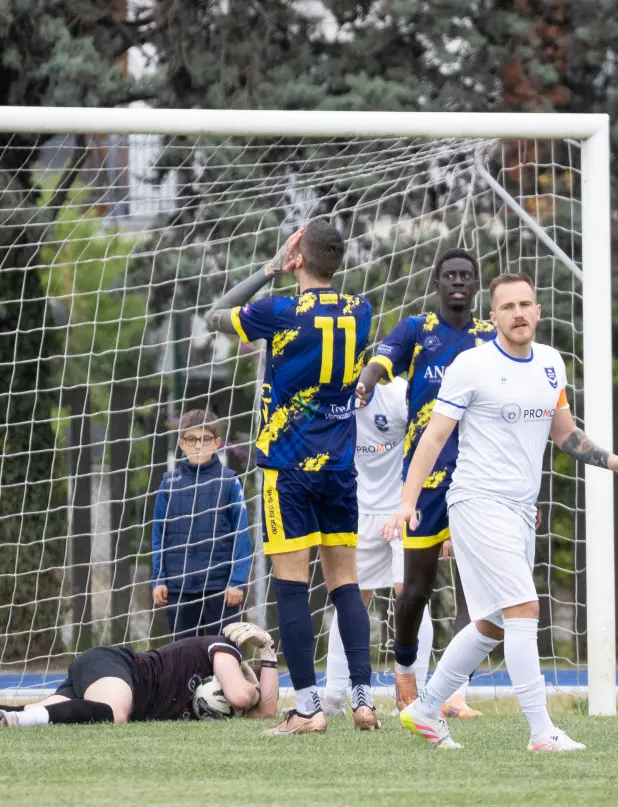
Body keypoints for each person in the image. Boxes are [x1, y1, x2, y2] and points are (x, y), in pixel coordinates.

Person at [387, 272, 618, 751]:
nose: (518, 313)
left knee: (494, 622)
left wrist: (614, 460)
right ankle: (541, 731)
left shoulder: (552, 364)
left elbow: (564, 432)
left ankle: (427, 710)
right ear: (491, 316)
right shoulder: (470, 364)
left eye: (526, 304)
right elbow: (433, 438)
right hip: (475, 501)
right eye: (508, 306)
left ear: (538, 311)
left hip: (519, 509)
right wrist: (408, 501)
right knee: (525, 608)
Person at [205, 219, 377, 734]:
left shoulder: (278, 310)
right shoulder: (360, 311)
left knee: (292, 587)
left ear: (298, 257)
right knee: (346, 585)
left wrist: (268, 269)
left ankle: (308, 710)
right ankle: (365, 701)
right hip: (341, 467)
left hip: (288, 468)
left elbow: (215, 314)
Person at [354, 248, 494, 716]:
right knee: (415, 590)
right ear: (437, 282)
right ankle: (406, 675)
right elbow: (382, 359)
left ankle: (452, 690)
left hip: (477, 479)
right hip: (425, 483)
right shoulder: (418, 330)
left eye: (466, 275)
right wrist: (368, 380)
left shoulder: (488, 338)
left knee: (479, 592)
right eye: (450, 274)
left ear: (476, 285)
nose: (458, 281)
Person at [319, 375, 437, 715]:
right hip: (357, 511)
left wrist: (428, 509)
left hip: (404, 506)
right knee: (351, 599)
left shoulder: (399, 395)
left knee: (411, 595)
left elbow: (431, 442)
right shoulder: (327, 398)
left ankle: (415, 696)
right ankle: (334, 696)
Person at [0, 623, 279, 727]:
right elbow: (240, 697)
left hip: (107, 677)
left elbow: (267, 711)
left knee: (39, 710)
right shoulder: (221, 647)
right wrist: (250, 685)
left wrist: (268, 654)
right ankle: (11, 722)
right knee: (114, 715)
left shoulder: (224, 678)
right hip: (117, 666)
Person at [151, 408, 252, 639]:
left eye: (205, 439)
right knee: (184, 659)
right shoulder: (168, 484)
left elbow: (242, 533)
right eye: (191, 439)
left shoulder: (229, 482)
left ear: (216, 443)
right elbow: (159, 534)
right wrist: (159, 579)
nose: (198, 445)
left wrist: (237, 580)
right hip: (179, 587)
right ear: (181, 443)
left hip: (220, 589)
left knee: (224, 654)